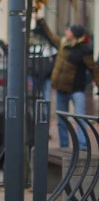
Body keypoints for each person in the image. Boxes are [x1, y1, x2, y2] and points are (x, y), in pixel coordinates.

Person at [34, 20, 98, 148]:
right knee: (61, 120)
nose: (66, 32)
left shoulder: (84, 50)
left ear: (74, 34)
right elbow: (51, 36)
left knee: (80, 118)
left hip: (77, 90)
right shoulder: (63, 43)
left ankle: (83, 146)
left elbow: (93, 69)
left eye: (69, 30)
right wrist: (41, 22)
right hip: (61, 89)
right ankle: (64, 146)